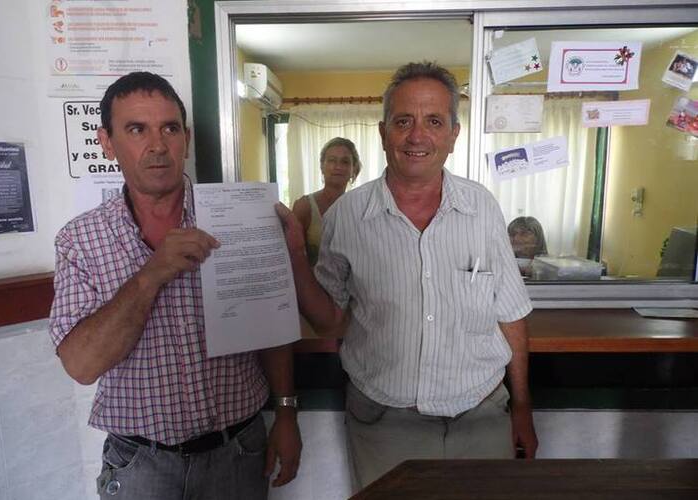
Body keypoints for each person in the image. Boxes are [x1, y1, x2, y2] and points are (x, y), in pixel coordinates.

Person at [277, 61, 537, 490]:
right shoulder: (347, 217)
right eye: (403, 121)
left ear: (453, 135)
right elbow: (330, 321)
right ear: (383, 133)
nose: (418, 136)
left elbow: (510, 313)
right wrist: (293, 254)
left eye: (434, 121)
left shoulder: (483, 208)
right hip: (384, 425)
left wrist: (523, 407)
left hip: (482, 417)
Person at [48, 72, 301, 500]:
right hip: (140, 464)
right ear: (106, 143)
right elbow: (82, 365)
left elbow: (269, 326)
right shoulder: (80, 239)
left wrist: (287, 414)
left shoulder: (237, 217)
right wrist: (152, 274)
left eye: (169, 128)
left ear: (185, 138)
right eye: (136, 129)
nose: (157, 145)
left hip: (238, 450)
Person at [292, 137, 362, 267]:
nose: (338, 166)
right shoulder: (304, 206)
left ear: (353, 170)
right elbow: (292, 256)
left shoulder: (361, 208)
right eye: (331, 160)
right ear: (322, 167)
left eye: (345, 162)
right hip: (311, 285)